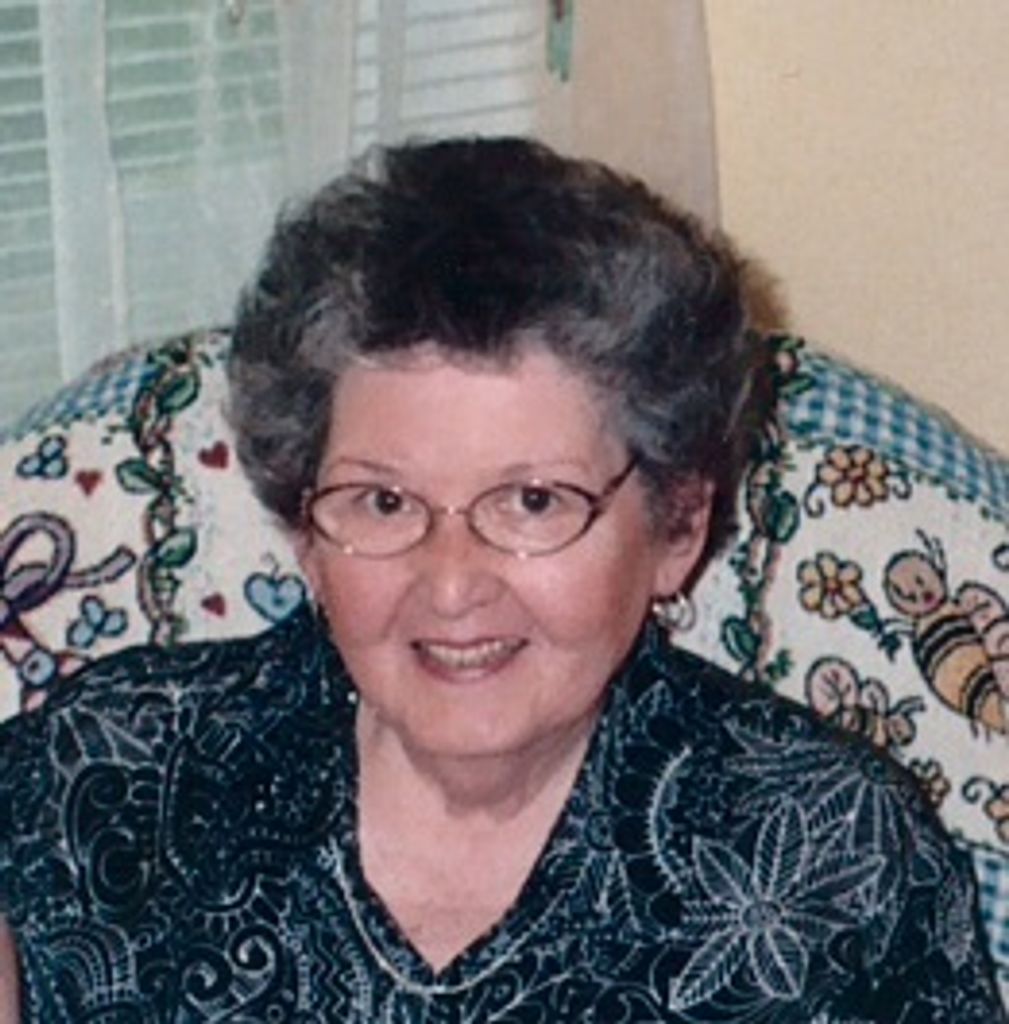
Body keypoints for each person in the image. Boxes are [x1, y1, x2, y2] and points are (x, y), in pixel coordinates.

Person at [0, 137, 1003, 1022]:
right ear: (305, 528)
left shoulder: (831, 854)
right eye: (383, 502)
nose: (450, 586)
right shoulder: (108, 773)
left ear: (676, 525)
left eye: (532, 501)